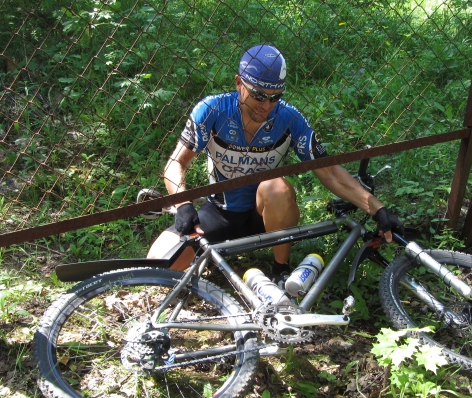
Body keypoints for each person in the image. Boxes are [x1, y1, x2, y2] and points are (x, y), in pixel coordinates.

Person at [147, 44, 404, 283]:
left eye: (275, 97)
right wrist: (183, 204)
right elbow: (176, 163)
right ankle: (212, 253)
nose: (266, 105)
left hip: (266, 213)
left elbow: (330, 172)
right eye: (259, 95)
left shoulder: (289, 118)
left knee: (275, 187)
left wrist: (377, 209)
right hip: (221, 213)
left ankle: (280, 270)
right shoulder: (212, 110)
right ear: (238, 82)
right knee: (156, 265)